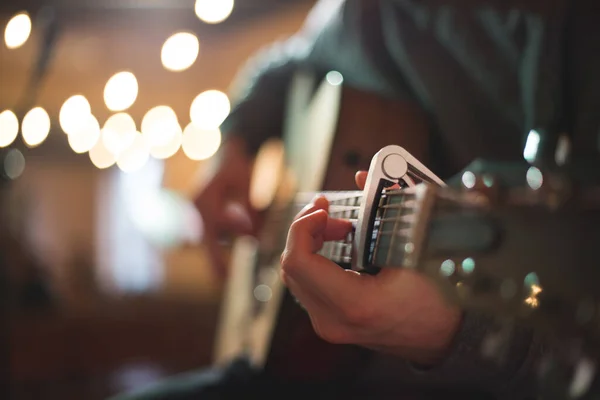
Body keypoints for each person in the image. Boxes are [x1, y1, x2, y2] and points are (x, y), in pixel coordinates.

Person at [112, 0, 599, 399]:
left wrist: (458, 335)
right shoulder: (372, 12)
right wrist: (234, 145)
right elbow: (286, 65)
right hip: (330, 366)